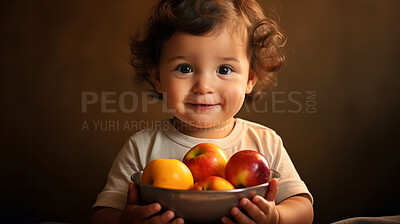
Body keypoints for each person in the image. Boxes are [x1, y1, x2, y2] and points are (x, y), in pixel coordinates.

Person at [91, 0, 314, 223]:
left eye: (224, 69)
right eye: (185, 68)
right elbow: (103, 214)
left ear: (250, 79)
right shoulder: (141, 148)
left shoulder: (265, 142)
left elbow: (303, 208)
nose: (203, 86)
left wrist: (276, 217)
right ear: (157, 78)